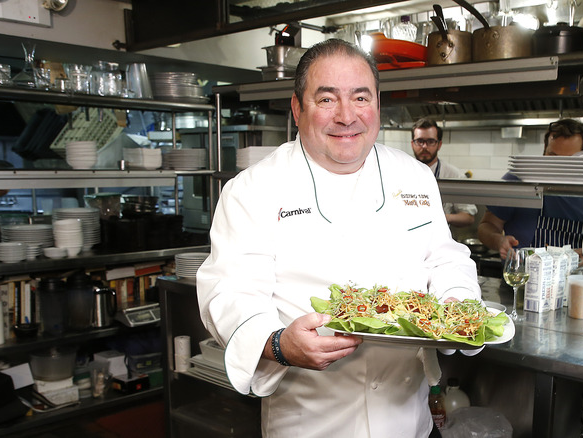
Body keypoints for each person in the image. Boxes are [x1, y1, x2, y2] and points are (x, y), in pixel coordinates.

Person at [196, 39, 480, 438]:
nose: (347, 116)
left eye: (360, 97)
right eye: (327, 99)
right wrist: (278, 344)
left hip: (408, 416)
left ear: (378, 104)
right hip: (312, 420)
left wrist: (457, 306)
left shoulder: (414, 177)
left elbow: (445, 259)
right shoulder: (254, 189)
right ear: (297, 109)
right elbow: (229, 290)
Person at [477, 119, 583, 264]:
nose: (559, 165)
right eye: (553, 156)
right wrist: (499, 241)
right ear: (544, 151)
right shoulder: (519, 180)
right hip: (524, 281)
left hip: (577, 283)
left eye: (569, 159)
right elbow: (487, 226)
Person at [411, 118, 478, 228]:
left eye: (430, 142)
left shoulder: (454, 175)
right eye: (419, 141)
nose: (424, 146)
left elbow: (468, 217)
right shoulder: (400, 171)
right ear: (412, 144)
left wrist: (443, 217)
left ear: (439, 144)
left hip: (438, 241)